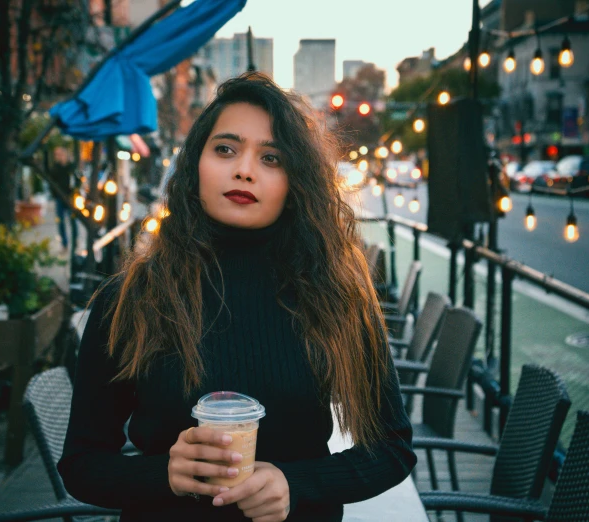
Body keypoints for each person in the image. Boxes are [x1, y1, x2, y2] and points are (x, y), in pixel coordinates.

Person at [58, 73, 416, 522]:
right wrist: (163, 474)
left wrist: (295, 484)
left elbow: (392, 448)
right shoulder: (129, 301)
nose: (244, 169)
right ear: (195, 164)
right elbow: (81, 465)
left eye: (272, 158)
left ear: (296, 184)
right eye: (225, 149)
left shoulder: (335, 296)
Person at [50, 145, 78, 251]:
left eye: (60, 154)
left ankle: (75, 243)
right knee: (60, 221)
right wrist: (55, 194)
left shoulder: (71, 167)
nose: (58, 157)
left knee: (73, 220)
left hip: (71, 197)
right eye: (56, 155)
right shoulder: (55, 168)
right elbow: (52, 182)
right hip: (59, 198)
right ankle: (64, 244)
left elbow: (77, 180)